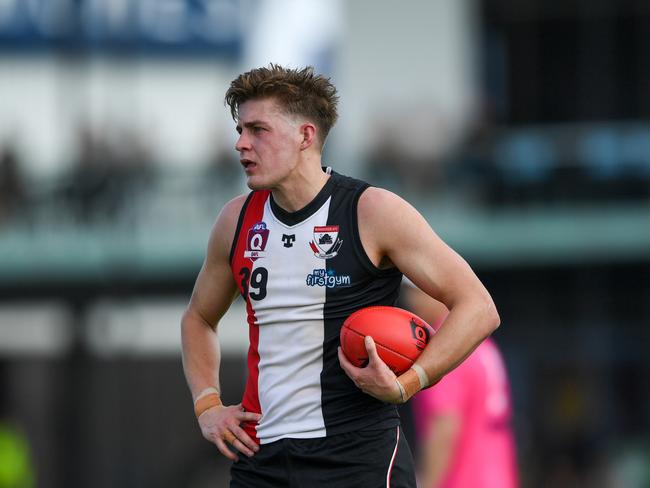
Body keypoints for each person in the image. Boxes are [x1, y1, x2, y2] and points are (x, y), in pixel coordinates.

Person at [180, 64, 500, 488]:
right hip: (262, 460)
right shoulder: (235, 221)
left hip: (358, 457)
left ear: (305, 136)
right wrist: (208, 405)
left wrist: (410, 383)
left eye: (258, 130)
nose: (241, 144)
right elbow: (198, 319)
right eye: (240, 129)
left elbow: (479, 307)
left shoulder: (373, 212)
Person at [402, 283, 518, 488]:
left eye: (415, 293)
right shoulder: (479, 341)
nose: (409, 302)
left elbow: (444, 428)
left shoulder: (446, 345)